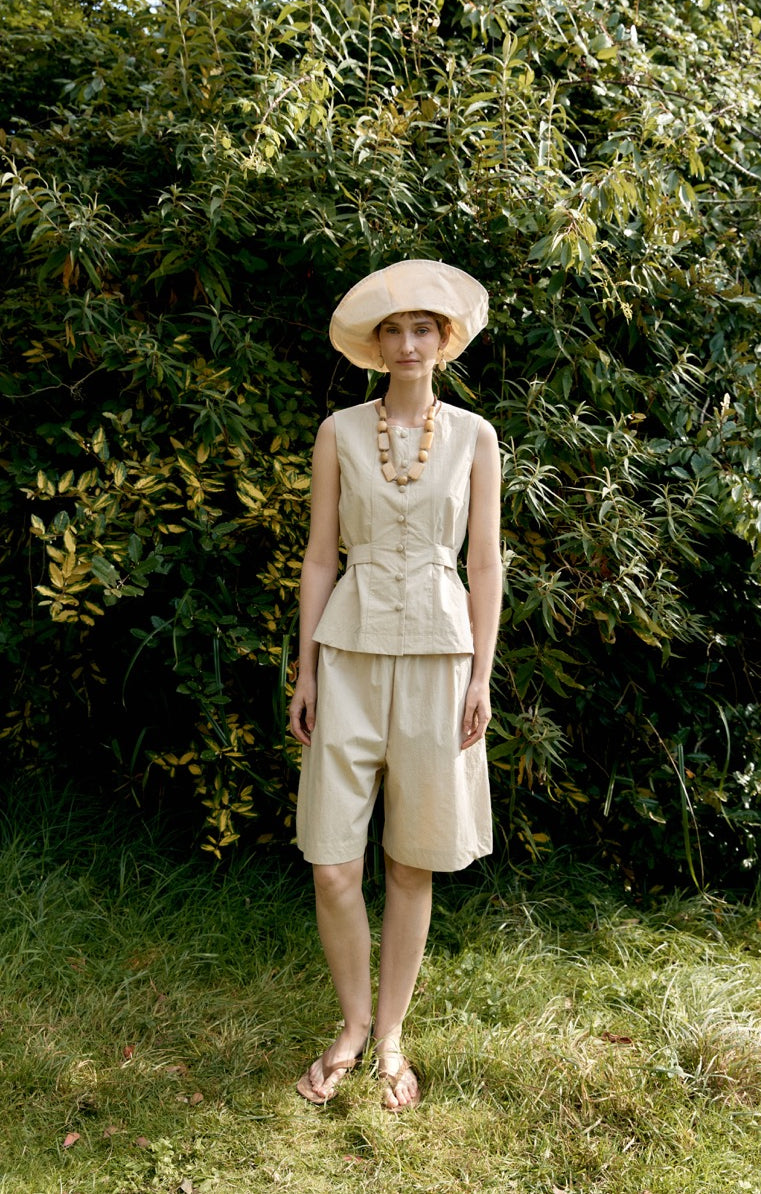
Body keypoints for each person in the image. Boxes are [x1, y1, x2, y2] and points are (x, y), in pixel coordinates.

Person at [288, 259, 502, 1111]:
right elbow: (318, 558)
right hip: (348, 651)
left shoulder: (475, 437)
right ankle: (349, 1024)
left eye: (422, 328)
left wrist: (482, 675)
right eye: (393, 330)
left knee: (412, 861)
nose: (408, 343)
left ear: (443, 341)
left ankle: (388, 1037)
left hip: (442, 658)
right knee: (332, 864)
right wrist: (306, 668)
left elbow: (484, 564)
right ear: (374, 345)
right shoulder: (340, 432)